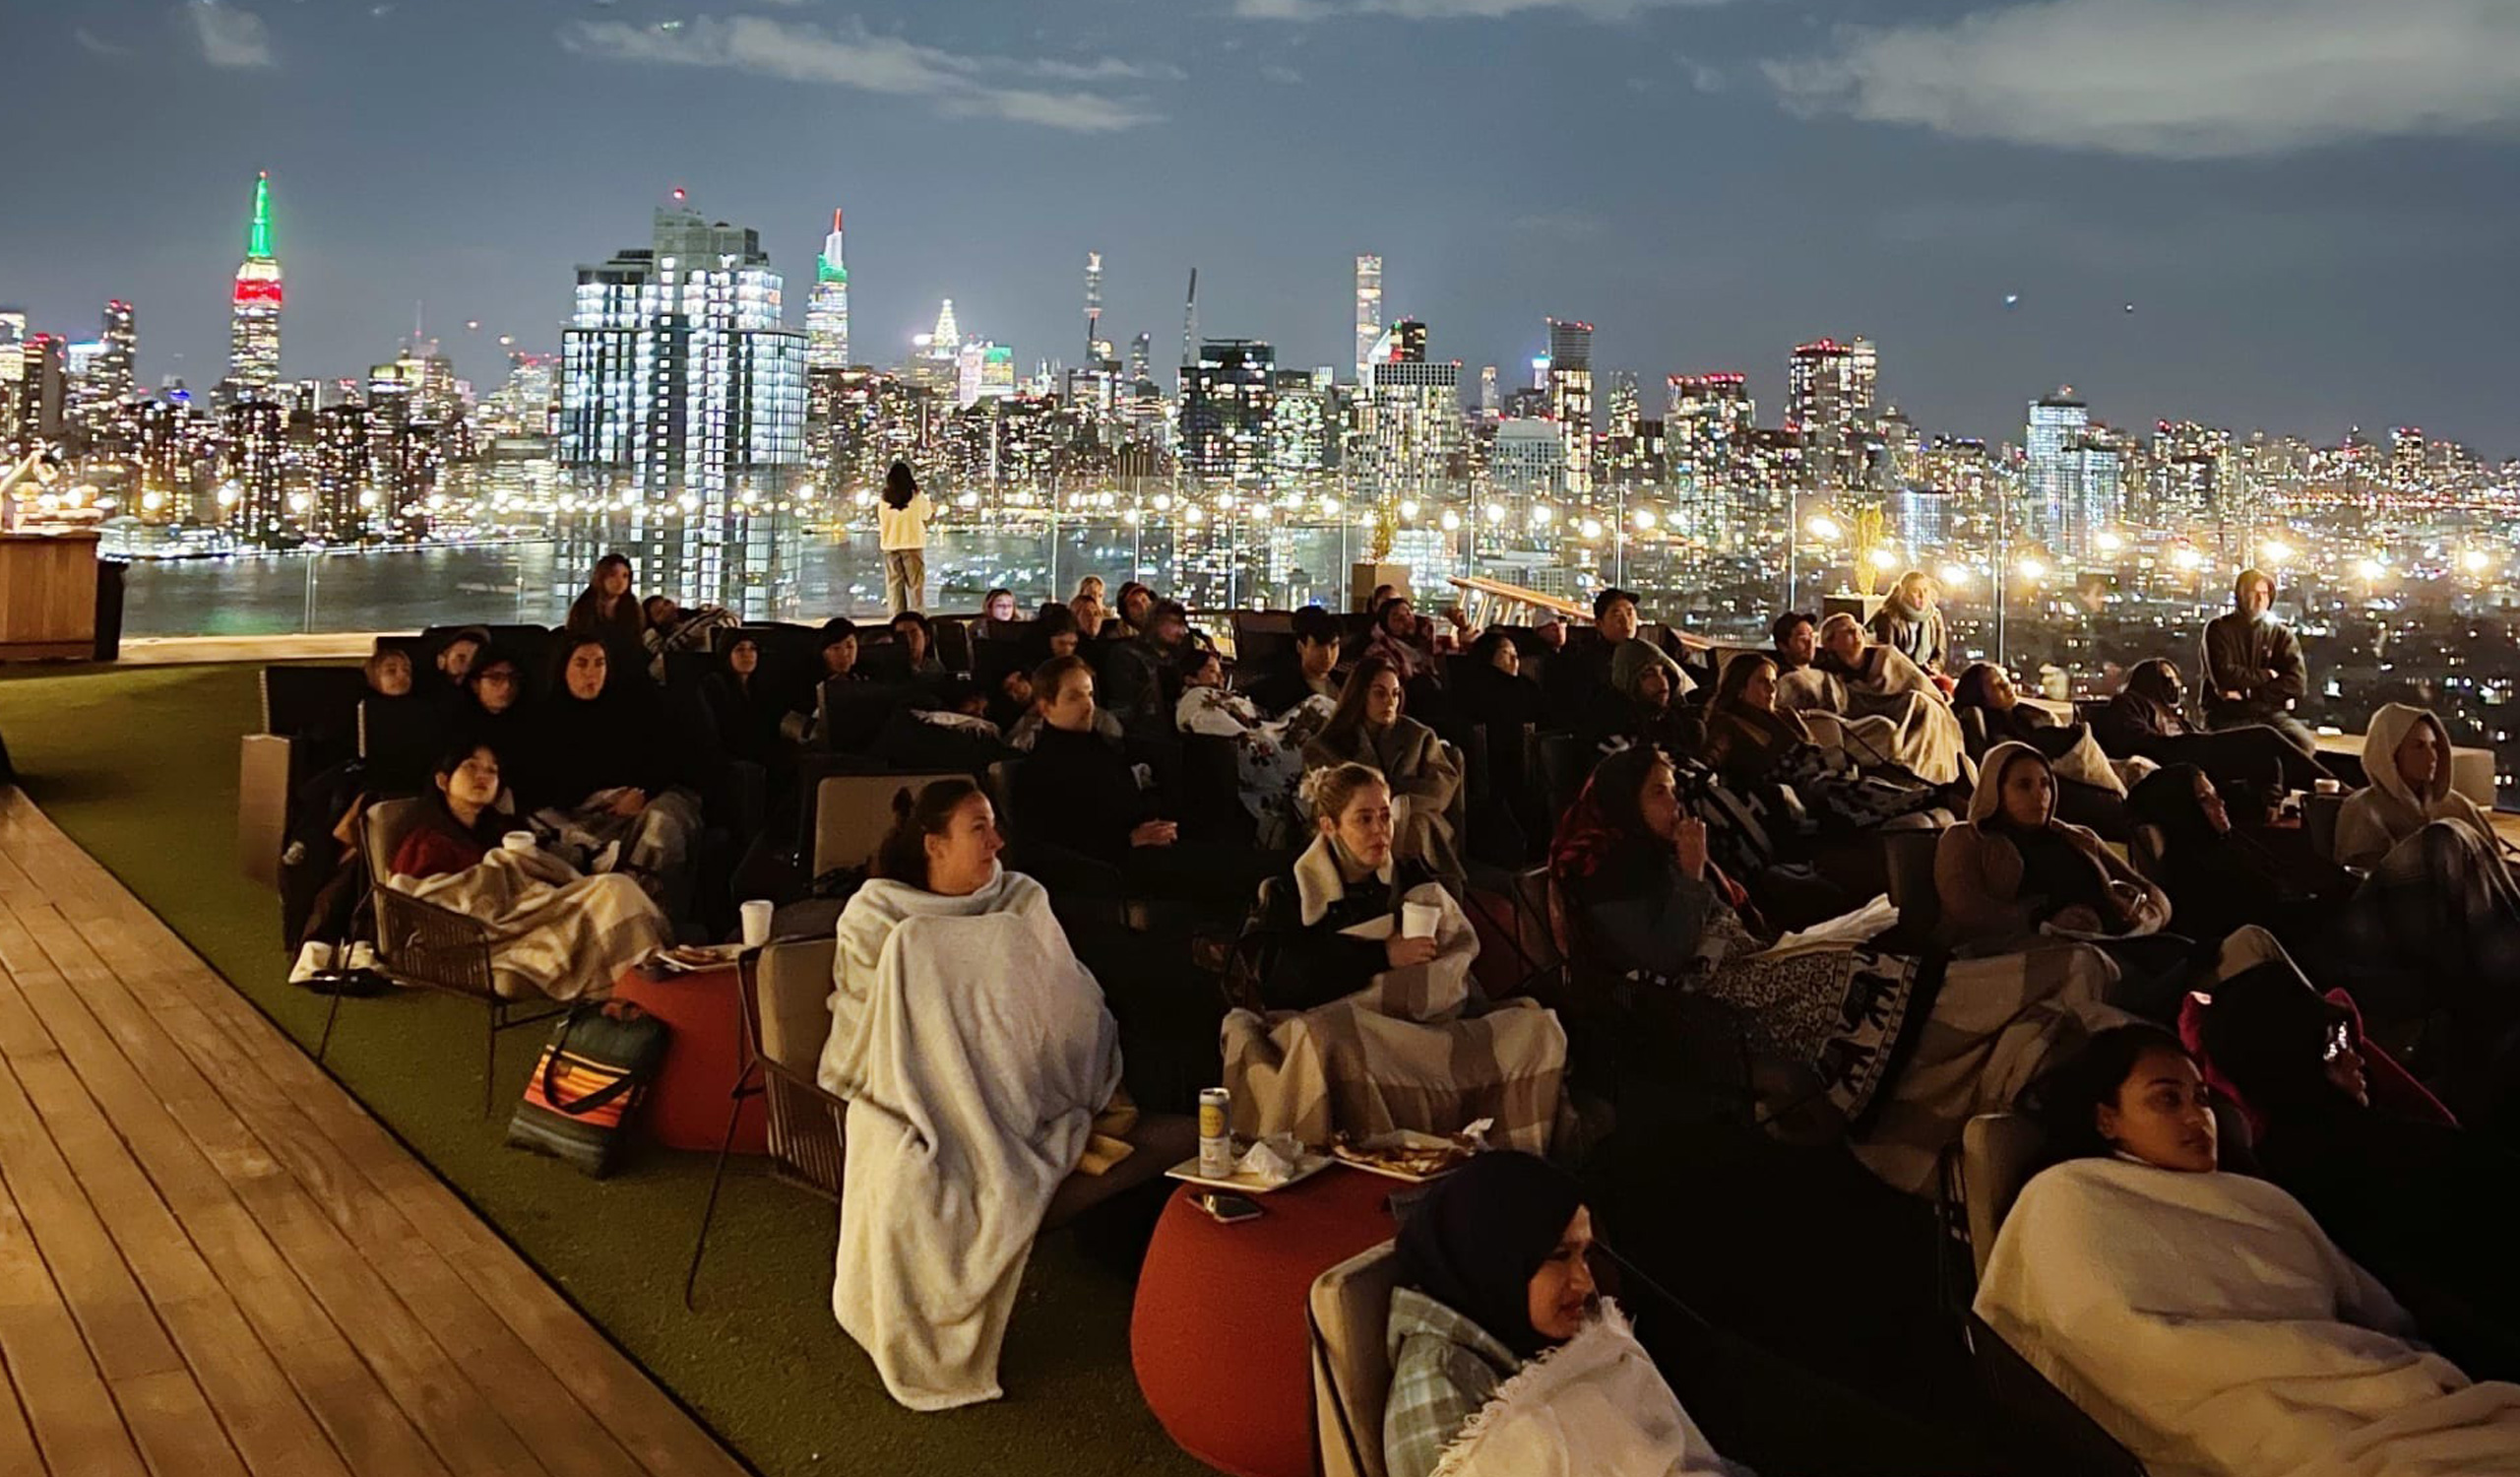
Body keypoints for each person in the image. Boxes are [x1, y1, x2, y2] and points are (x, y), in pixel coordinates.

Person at [1979, 1025, 2520, 1477]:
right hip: (2244, 1413)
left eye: (2202, 1099)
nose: (2196, 1117)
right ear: (2107, 1119)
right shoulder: (2070, 1195)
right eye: (2167, 1099)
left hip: (2372, 1386)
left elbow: (2365, 1302)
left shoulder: (2253, 1196)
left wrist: (2369, 1364)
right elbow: (2116, 1337)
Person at [814, 779, 1132, 1411]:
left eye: (994, 825)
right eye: (978, 829)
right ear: (933, 845)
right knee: (911, 1169)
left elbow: (1061, 1000)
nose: (997, 841)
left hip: (1019, 1076)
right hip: (908, 1082)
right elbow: (875, 1022)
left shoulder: (1018, 898)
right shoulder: (878, 916)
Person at [1550, 746, 1930, 1132]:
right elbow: (1668, 954)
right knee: (1859, 978)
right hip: (1696, 1008)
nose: (1674, 804)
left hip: (1738, 969)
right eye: (1658, 793)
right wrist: (1691, 873)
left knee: (1865, 951)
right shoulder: (1603, 873)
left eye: (1673, 792)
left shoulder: (1654, 853)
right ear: (1623, 802)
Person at [2196, 968, 2520, 1379]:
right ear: (2292, 1060)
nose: (2355, 1055)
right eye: (2334, 1046)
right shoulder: (2390, 1158)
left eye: (2345, 1037)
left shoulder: (2288, 1160)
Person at [1223, 765, 1565, 1152]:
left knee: (1537, 1028)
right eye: (1364, 819)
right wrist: (1380, 952)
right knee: (1325, 1041)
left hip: (1420, 1025)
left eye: (1385, 816)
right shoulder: (1289, 890)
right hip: (1349, 1021)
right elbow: (1279, 978)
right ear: (1329, 826)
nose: (1379, 830)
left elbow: (1451, 952)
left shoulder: (1408, 873)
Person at [1383, 1151, 1751, 1477]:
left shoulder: (1523, 1327)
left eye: (1585, 1254)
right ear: (1494, 1260)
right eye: (1560, 1256)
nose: (1585, 1283)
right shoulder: (1439, 1385)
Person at [382, 742, 670, 1002]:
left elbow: (535, 874)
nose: (483, 776)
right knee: (612, 890)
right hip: (482, 935)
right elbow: (421, 898)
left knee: (614, 889)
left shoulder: (500, 830)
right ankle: (649, 980)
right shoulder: (427, 840)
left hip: (531, 915)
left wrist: (525, 867)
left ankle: (652, 973)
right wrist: (499, 869)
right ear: (443, 780)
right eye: (471, 766)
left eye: (491, 771)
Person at [523, 636, 705, 932]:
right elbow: (540, 782)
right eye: (581, 664)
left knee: (664, 821)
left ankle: (650, 918)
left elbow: (667, 758)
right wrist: (597, 800)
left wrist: (641, 793)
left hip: (638, 804)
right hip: (578, 812)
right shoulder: (542, 717)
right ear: (563, 668)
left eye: (599, 664)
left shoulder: (633, 709)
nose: (590, 673)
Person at [1935, 742, 2169, 959]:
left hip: (2110, 939)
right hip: (2019, 954)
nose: (2040, 794)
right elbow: (1967, 909)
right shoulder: (1967, 838)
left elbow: (2144, 887)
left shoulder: (2077, 836)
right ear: (1995, 789)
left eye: (2045, 784)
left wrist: (2143, 912)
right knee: (2088, 965)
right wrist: (2041, 921)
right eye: (2024, 785)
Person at [1704, 653, 1945, 833]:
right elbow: (1711, 764)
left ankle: (1928, 796)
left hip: (1821, 774)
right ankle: (1927, 798)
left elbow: (1812, 749)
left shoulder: (1786, 716)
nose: (1771, 689)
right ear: (1739, 688)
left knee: (1863, 783)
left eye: (1773, 682)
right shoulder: (1727, 724)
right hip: (1793, 789)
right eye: (1761, 682)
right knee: (1836, 790)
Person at [1303, 656, 1465, 891]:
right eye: (1380, 693)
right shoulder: (1328, 744)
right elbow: (1330, 799)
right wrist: (1386, 802)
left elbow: (1442, 787)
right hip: (1353, 829)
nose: (1390, 702)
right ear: (1360, 695)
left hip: (1418, 826)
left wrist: (1402, 804)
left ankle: (1427, 899)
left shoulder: (1419, 737)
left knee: (1419, 823)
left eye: (1396, 694)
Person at [2092, 657, 2329, 797]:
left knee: (2267, 757)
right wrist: (2180, 744)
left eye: (2176, 681)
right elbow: (2134, 740)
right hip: (2173, 759)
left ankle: (2325, 790)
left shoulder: (2176, 715)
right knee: (2263, 737)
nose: (2173, 687)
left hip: (2190, 755)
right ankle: (2333, 790)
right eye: (2167, 680)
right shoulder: (2130, 702)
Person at [1949, 660, 2128, 835]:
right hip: (2047, 777)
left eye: (2006, 680)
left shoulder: (2026, 715)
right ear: (1979, 695)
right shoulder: (1985, 727)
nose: (2007, 686)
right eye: (1998, 685)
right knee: (2114, 805)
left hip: (2061, 771)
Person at [1174, 647, 1330, 843]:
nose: (1221, 676)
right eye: (1212, 670)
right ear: (1190, 679)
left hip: (1270, 732)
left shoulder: (1220, 696)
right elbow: (1239, 737)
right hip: (1263, 746)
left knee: (1319, 705)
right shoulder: (1195, 699)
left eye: (1220, 670)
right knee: (1321, 707)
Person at [2201, 566, 2316, 755]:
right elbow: (2224, 676)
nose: (2260, 599)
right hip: (2228, 715)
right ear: (2240, 595)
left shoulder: (2280, 635)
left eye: (2264, 593)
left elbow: (2296, 683)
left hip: (2269, 714)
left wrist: (2248, 692)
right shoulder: (2218, 629)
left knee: (2302, 744)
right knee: (2238, 752)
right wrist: (2268, 675)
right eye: (2253, 593)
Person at [564, 552, 648, 688]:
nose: (620, 581)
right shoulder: (584, 606)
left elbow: (636, 643)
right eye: (613, 575)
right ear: (601, 577)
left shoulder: (633, 608)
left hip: (627, 670)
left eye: (625, 576)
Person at [700, 634, 785, 768]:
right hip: (729, 756)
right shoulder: (715, 685)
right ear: (727, 655)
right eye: (740, 650)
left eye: (752, 649)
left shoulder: (761, 685)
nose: (748, 655)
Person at [1246, 605, 1346, 717]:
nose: (1328, 655)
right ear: (1300, 647)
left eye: (1333, 646)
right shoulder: (1279, 689)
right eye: (1318, 646)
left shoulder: (1348, 683)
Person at [1869, 570, 1948, 676]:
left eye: (1925, 590)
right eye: (1916, 591)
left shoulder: (1934, 616)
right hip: (1900, 675)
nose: (1922, 596)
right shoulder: (1889, 617)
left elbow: (1940, 652)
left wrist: (1934, 668)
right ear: (1904, 593)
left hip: (1926, 672)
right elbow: (1888, 657)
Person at [877, 461, 931, 614]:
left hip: (890, 546)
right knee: (916, 586)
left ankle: (896, 619)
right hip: (913, 544)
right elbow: (927, 515)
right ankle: (918, 618)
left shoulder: (884, 500)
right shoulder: (917, 496)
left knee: (894, 585)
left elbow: (882, 520)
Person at [640, 595, 736, 680]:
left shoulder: (702, 613)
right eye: (659, 612)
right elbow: (664, 660)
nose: (667, 610)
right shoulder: (658, 639)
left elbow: (729, 618)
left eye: (667, 603)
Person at [1363, 594, 1439, 686]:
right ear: (1385, 625)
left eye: (1408, 613)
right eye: (1396, 617)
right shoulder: (1378, 652)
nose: (1406, 620)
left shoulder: (1427, 643)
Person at [886, 610, 948, 680]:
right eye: (901, 635)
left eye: (914, 634)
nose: (908, 640)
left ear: (926, 639)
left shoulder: (935, 669)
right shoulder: (887, 669)